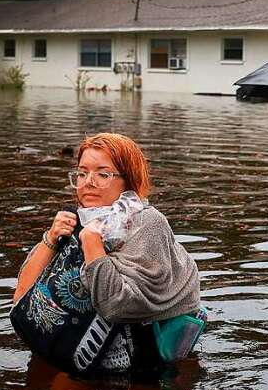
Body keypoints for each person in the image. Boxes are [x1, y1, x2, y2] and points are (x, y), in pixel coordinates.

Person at [11, 132, 201, 376]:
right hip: (76, 354)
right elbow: (21, 298)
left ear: (128, 180)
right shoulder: (78, 220)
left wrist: (92, 244)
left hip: (137, 370)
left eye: (103, 174)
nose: (88, 182)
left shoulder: (147, 223)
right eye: (82, 173)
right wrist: (50, 239)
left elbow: (118, 307)